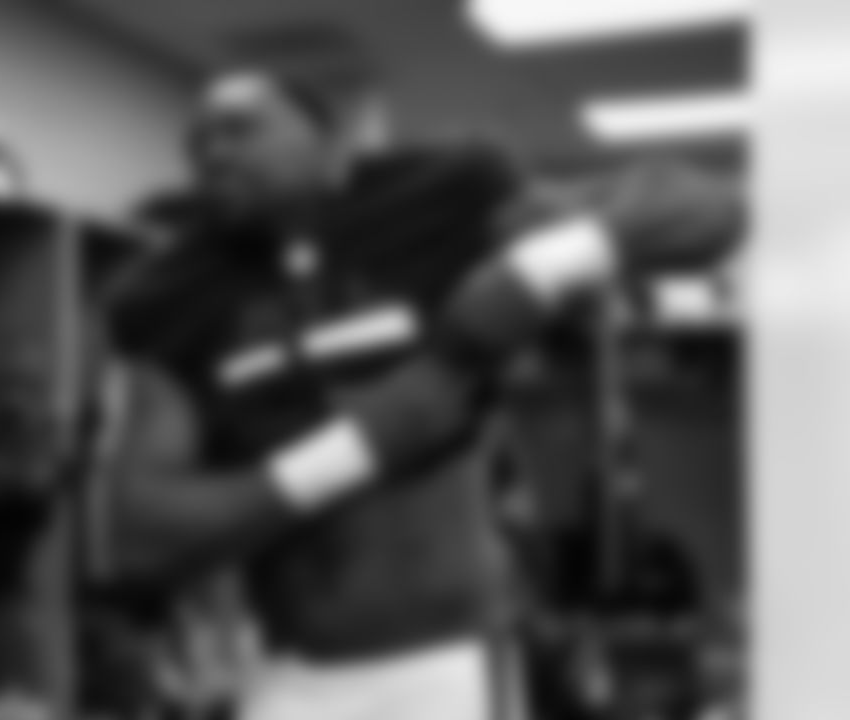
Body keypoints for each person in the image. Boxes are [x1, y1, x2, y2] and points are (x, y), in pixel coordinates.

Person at [92, 69, 744, 720]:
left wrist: (539, 270)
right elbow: (141, 536)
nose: (213, 150)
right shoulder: (168, 294)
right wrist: (362, 444)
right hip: (293, 670)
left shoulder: (442, 195)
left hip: (444, 666)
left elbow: (709, 207)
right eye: (197, 139)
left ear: (329, 140)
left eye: (240, 128)